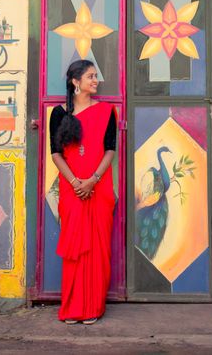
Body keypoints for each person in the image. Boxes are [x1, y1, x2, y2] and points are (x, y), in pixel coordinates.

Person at [49, 59, 117, 325]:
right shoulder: (59, 114)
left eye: (95, 76)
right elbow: (56, 155)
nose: (95, 80)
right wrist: (77, 182)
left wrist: (93, 180)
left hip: (98, 189)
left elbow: (110, 149)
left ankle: (92, 308)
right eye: (90, 76)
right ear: (75, 82)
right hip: (72, 190)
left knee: (98, 249)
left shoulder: (106, 111)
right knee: (75, 248)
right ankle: (72, 308)